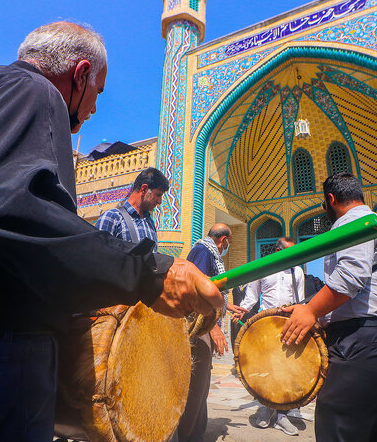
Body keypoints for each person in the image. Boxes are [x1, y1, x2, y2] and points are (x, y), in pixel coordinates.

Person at [0, 21, 224, 442]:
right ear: (79, 74)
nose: (92, 109)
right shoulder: (32, 91)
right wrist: (148, 274)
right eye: (96, 91)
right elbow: (2, 205)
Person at [280, 172, 377, 442]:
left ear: (330, 199)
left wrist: (311, 311)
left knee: (337, 429)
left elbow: (352, 276)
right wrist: (310, 309)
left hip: (360, 344)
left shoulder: (351, 222)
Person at [230, 236, 304, 436]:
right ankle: (265, 407)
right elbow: (252, 296)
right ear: (278, 250)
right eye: (288, 250)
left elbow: (301, 301)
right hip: (265, 324)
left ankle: (281, 415)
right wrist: (241, 310)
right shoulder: (264, 267)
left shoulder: (297, 271)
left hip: (288, 323)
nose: (292, 255)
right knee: (266, 368)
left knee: (286, 368)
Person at [177, 224, 233, 442]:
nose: (228, 246)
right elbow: (196, 293)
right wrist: (214, 327)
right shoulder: (203, 251)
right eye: (230, 241)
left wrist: (231, 308)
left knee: (202, 382)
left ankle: (196, 431)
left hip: (204, 327)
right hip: (199, 329)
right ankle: (186, 435)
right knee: (196, 383)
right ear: (224, 240)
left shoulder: (207, 251)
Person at [94, 167, 168, 246]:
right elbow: (98, 253)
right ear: (144, 189)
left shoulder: (149, 222)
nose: (159, 201)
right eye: (158, 195)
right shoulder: (112, 218)